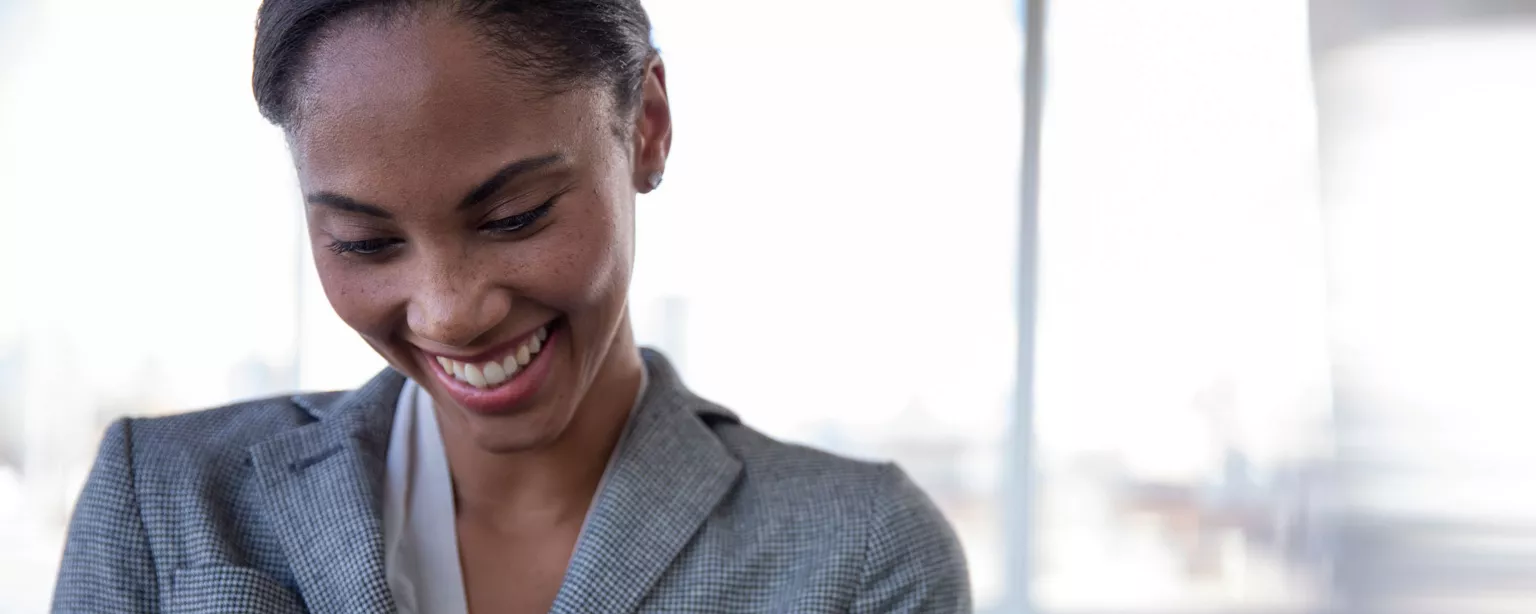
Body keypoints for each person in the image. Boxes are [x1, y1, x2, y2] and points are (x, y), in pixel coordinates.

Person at [51, 1, 970, 612]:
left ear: (645, 125)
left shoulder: (857, 555)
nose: (449, 314)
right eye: (365, 243)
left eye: (515, 216)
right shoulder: (166, 501)